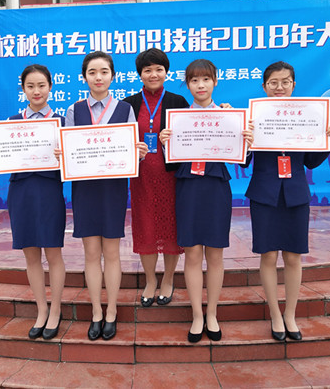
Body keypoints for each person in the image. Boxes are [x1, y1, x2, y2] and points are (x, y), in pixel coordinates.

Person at [243, 61, 330, 342]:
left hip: (296, 193)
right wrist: (245, 140)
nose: (279, 87)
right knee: (268, 255)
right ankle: (275, 314)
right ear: (264, 86)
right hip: (264, 193)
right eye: (273, 83)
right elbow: (244, 161)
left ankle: (290, 315)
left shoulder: (308, 116)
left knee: (294, 256)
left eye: (285, 82)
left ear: (293, 85)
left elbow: (310, 161)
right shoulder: (253, 117)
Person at [160, 59, 253, 342]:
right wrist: (165, 143)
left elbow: (243, 160)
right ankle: (197, 315)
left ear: (215, 81)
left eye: (206, 79)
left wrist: (246, 140)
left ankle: (212, 313)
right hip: (188, 188)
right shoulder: (177, 119)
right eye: (194, 80)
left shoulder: (229, 116)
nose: (200, 85)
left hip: (215, 187)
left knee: (215, 254)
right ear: (187, 85)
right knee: (191, 254)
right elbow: (170, 164)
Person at [57, 51, 148, 341]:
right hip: (85, 189)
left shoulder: (124, 109)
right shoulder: (74, 110)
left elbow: (130, 146)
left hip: (113, 188)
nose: (98, 77)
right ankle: (96, 311)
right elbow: (69, 148)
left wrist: (138, 152)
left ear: (113, 76)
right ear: (84, 77)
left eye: (104, 72)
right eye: (92, 72)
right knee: (91, 253)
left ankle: (111, 310)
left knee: (111, 252)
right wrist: (63, 153)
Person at [0, 64, 66, 341]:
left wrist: (65, 154)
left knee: (53, 253)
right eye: (30, 86)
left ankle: (56, 310)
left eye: (41, 85)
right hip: (21, 192)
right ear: (23, 90)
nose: (36, 91)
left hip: (49, 191)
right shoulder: (11, 121)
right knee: (31, 255)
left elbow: (74, 163)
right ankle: (41, 310)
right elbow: (2, 156)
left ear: (50, 87)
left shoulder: (62, 122)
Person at [123, 48, 188, 308]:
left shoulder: (178, 101)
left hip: (171, 177)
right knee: (146, 228)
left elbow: (190, 138)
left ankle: (168, 279)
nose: (153, 74)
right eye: (147, 70)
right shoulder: (128, 104)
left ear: (166, 72)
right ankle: (150, 280)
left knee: (171, 228)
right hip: (142, 178)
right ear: (139, 74)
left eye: (159, 69)